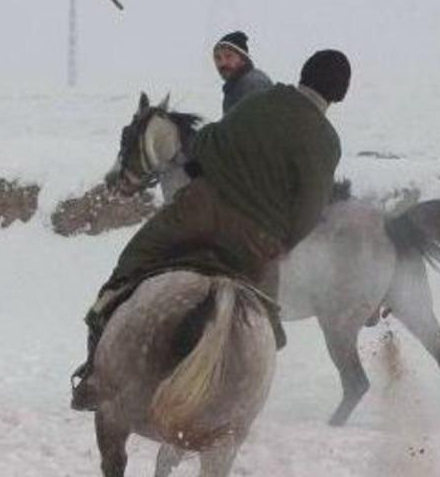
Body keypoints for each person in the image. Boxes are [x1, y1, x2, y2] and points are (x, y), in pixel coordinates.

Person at [72, 49, 352, 411]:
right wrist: (281, 241)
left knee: (132, 264)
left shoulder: (261, 102)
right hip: (256, 240)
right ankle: (244, 394)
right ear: (340, 93)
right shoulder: (326, 141)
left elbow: (205, 144)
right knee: (267, 321)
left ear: (303, 74)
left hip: (199, 211)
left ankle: (96, 373)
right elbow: (309, 209)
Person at [213, 31, 273, 114]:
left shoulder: (253, 83)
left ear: (243, 59)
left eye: (229, 56)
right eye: (218, 58)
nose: (223, 63)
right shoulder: (233, 87)